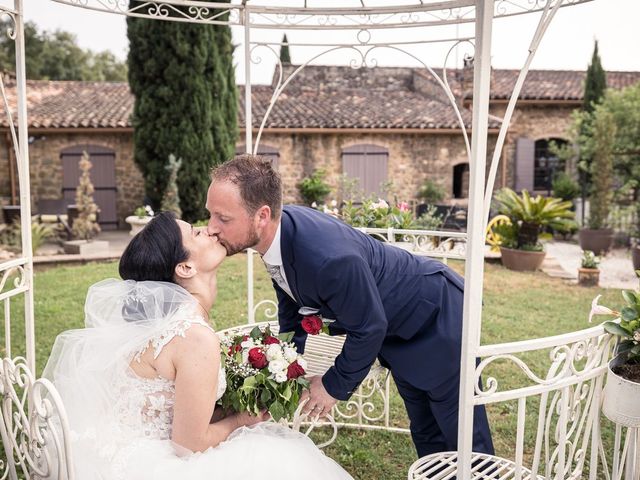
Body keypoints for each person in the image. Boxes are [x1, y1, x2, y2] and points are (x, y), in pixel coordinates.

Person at [206, 154, 494, 458]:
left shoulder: (328, 259)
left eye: (223, 218)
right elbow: (292, 306)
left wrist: (331, 386)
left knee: (464, 437)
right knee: (426, 431)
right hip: (399, 332)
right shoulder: (279, 235)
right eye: (210, 215)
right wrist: (283, 368)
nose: (211, 228)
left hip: (437, 317)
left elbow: (369, 328)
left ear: (262, 216)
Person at [43, 212, 353, 480]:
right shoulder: (193, 336)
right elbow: (188, 446)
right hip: (156, 463)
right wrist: (240, 420)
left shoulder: (170, 323)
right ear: (186, 268)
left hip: (117, 446)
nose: (208, 229)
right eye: (195, 232)